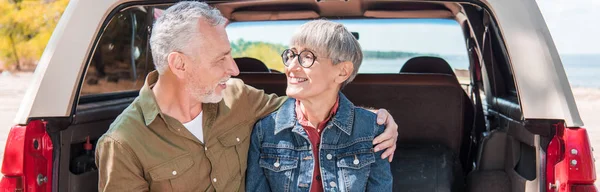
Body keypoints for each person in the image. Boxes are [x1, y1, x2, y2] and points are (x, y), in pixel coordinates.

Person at [95, 2, 398, 192]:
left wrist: (376, 120)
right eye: (221, 58)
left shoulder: (237, 97)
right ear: (179, 64)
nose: (235, 69)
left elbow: (313, 107)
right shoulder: (123, 143)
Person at [246, 20, 393, 192]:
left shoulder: (372, 130)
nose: (291, 67)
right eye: (291, 55)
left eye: (307, 57)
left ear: (342, 72)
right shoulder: (265, 130)